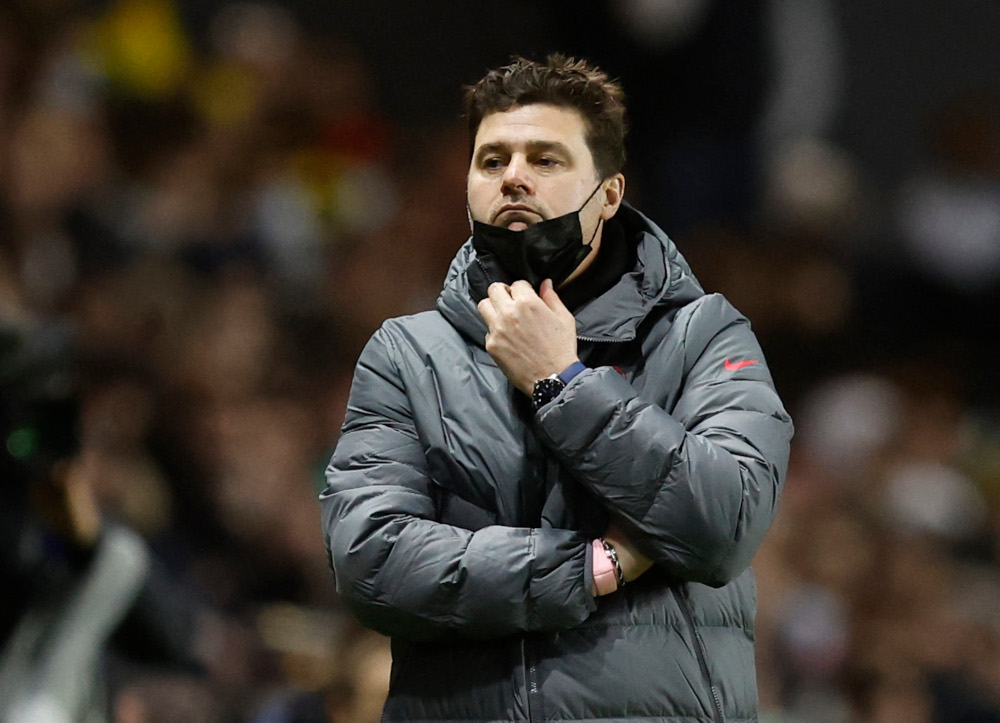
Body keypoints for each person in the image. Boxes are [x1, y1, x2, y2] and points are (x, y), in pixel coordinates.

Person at [319, 54, 793, 722]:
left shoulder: (703, 336)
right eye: (491, 160)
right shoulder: (407, 354)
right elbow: (371, 563)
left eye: (546, 159)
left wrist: (562, 383)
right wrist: (587, 566)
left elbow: (724, 526)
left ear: (609, 193)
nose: (513, 176)